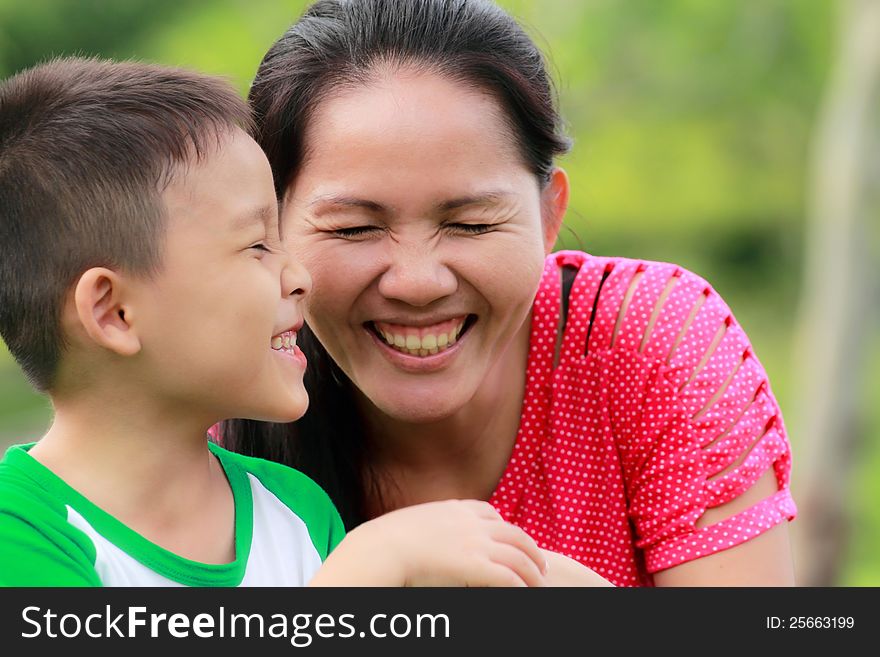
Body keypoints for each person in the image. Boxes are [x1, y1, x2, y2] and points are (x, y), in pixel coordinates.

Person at [222, 0, 798, 587]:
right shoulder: (209, 383)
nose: (419, 283)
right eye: (354, 228)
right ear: (271, 227)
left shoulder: (652, 339)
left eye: (472, 223)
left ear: (550, 215)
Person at [0, 56, 550, 587]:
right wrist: (369, 570)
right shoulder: (21, 533)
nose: (301, 277)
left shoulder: (295, 508)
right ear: (114, 312)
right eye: (258, 244)